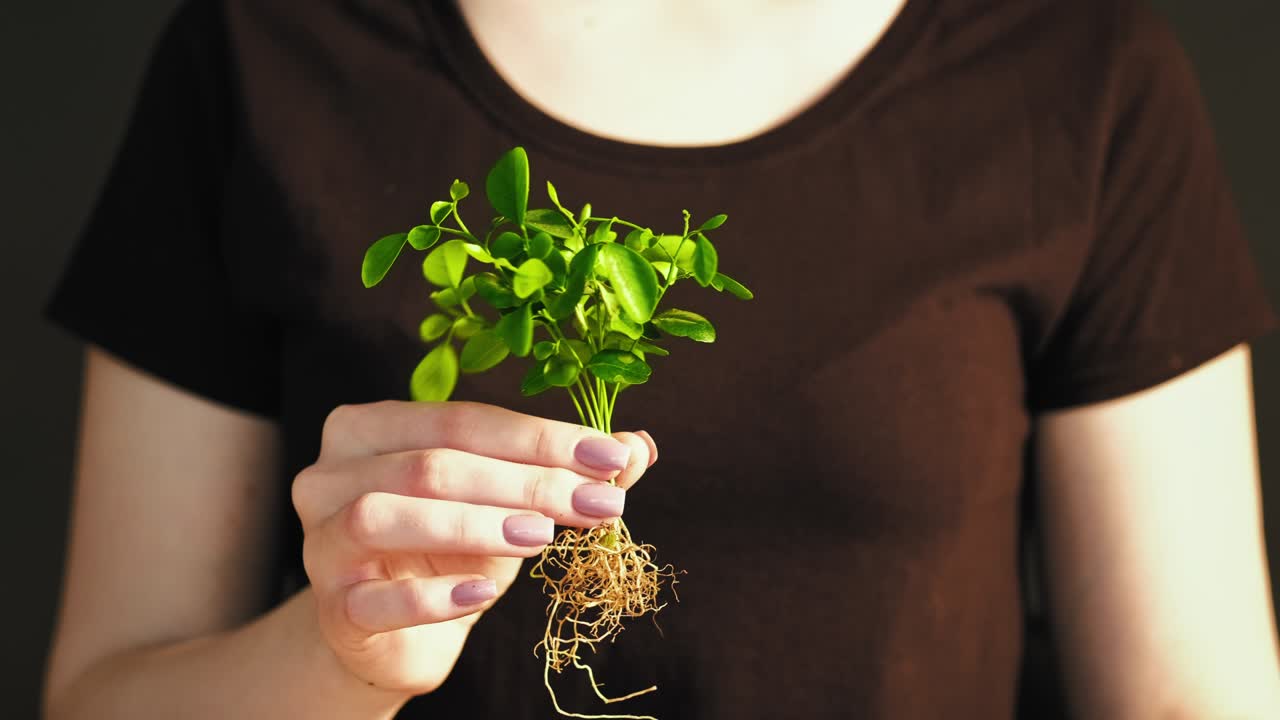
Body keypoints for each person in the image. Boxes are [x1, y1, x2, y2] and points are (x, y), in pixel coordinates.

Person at [40, 0, 1280, 718]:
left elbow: (1194, 695)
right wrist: (335, 657)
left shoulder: (1074, 67)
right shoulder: (266, 46)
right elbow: (102, 694)